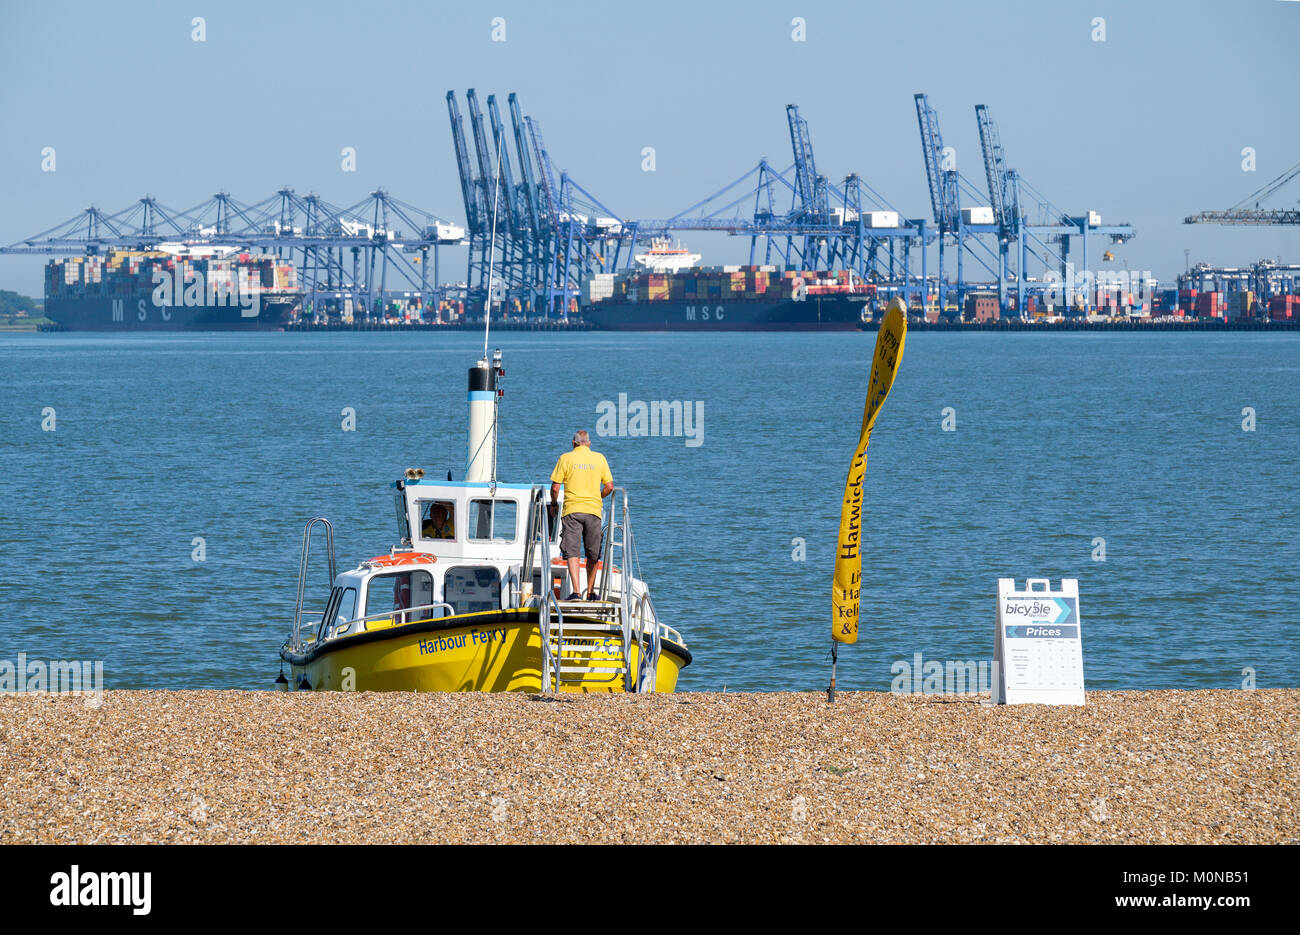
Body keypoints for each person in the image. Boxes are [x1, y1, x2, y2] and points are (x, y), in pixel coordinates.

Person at [550, 430, 613, 601]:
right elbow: (609, 486)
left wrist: (554, 504)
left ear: (573, 443)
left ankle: (577, 592)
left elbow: (555, 488)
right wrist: (598, 497)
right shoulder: (599, 458)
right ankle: (591, 592)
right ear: (589, 443)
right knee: (593, 553)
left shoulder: (565, 458)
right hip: (593, 511)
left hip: (572, 511)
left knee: (572, 552)